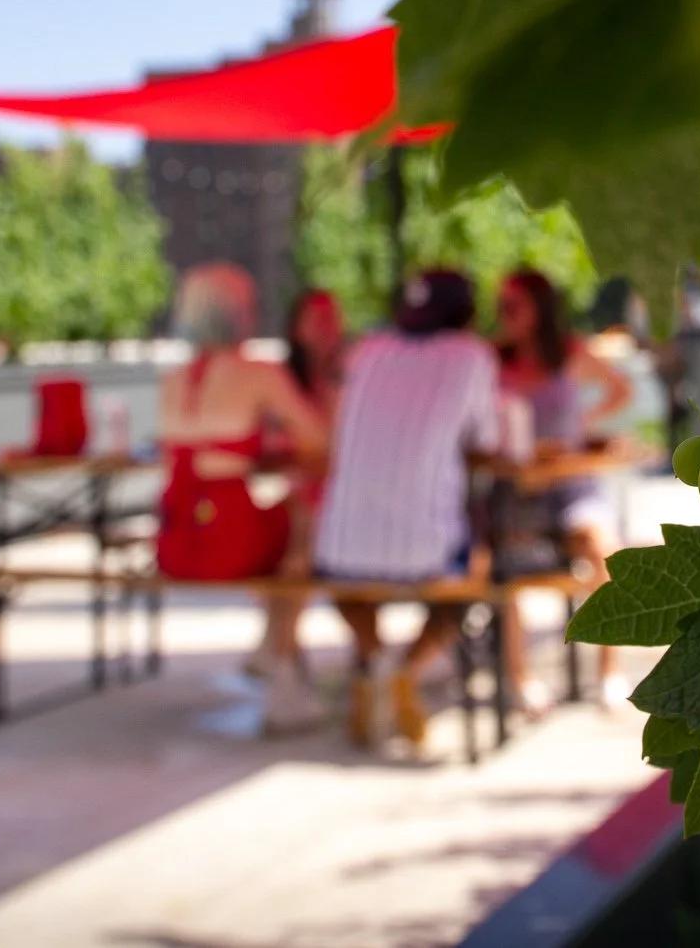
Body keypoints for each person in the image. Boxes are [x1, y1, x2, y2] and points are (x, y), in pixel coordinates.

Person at [314, 270, 501, 748]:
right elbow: (488, 441)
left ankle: (375, 660)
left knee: (345, 579)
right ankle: (407, 673)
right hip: (426, 546)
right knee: (475, 577)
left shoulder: (367, 350)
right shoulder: (471, 357)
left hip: (340, 545)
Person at [155, 263, 328, 731]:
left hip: (176, 540)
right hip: (227, 537)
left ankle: (274, 654)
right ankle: (283, 667)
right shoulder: (258, 373)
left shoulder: (172, 381)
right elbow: (319, 437)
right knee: (303, 534)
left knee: (289, 531)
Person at [493, 269, 635, 713]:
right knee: (504, 568)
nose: (505, 316)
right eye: (502, 307)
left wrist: (583, 424)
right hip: (519, 492)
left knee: (605, 551)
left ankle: (610, 671)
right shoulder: (495, 360)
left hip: (572, 487)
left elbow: (619, 388)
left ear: (539, 307)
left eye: (513, 305)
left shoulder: (569, 351)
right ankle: (521, 679)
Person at [244, 289, 346, 687]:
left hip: (340, 499)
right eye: (315, 318)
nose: (326, 328)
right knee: (287, 543)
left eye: (331, 317)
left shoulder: (350, 373)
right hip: (302, 493)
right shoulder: (282, 378)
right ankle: (282, 653)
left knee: (297, 549)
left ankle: (278, 651)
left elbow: (333, 446)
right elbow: (273, 445)